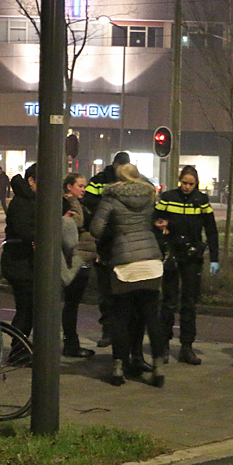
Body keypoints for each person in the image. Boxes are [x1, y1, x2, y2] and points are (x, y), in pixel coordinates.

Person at [88, 163, 168, 386]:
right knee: (152, 316)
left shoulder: (111, 197)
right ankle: (159, 366)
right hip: (151, 260)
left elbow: (96, 229)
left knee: (121, 316)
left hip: (125, 263)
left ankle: (118, 367)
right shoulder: (150, 195)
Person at [155, 165, 220, 365]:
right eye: (184, 183)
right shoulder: (167, 197)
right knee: (168, 301)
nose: (187, 187)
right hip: (172, 253)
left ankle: (186, 347)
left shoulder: (201, 200)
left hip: (192, 255)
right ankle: (163, 346)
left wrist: (215, 257)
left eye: (191, 184)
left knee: (189, 302)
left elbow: (211, 228)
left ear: (196, 184)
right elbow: (154, 222)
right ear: (179, 181)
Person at [82, 151, 131, 349]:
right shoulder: (99, 181)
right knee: (106, 291)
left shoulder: (130, 181)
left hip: (123, 243)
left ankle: (120, 329)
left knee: (122, 290)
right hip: (105, 243)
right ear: (115, 165)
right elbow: (88, 201)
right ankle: (107, 330)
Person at [1, 163, 37, 338]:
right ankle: (18, 350)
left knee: (29, 308)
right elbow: (24, 231)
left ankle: (22, 348)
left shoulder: (32, 200)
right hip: (19, 262)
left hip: (24, 263)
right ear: (31, 180)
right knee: (25, 309)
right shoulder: (22, 202)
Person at [61, 174, 96, 359]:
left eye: (85, 186)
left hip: (85, 259)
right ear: (69, 187)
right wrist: (73, 202)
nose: (83, 189)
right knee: (71, 304)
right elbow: (76, 223)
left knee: (72, 304)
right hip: (76, 260)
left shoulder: (80, 204)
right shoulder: (68, 204)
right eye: (80, 186)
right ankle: (71, 344)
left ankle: (71, 343)